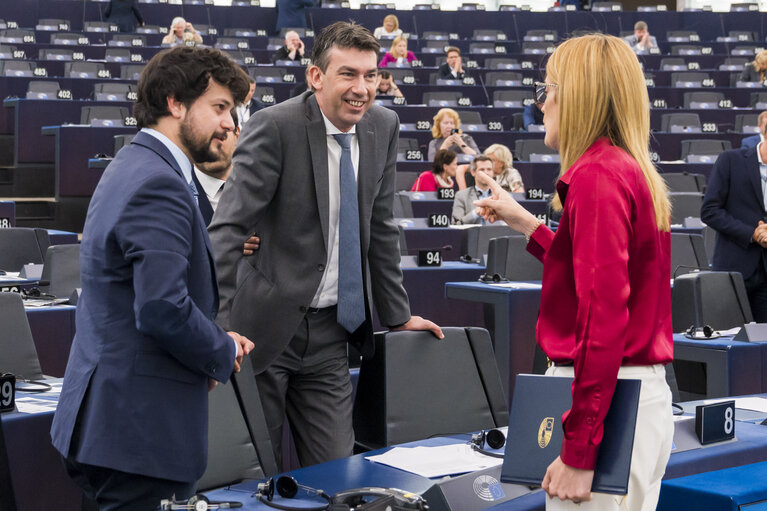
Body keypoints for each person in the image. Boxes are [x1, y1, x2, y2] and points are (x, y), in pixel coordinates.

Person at [208, 21, 443, 470]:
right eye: (348, 74)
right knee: (256, 478)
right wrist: (216, 326)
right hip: (260, 333)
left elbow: (379, 224)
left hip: (334, 337)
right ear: (316, 77)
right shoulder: (274, 126)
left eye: (371, 75)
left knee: (338, 473)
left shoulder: (384, 125)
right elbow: (228, 228)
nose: (362, 88)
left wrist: (396, 315)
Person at [474, 34, 673, 509]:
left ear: (576, 95)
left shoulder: (597, 177)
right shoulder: (622, 168)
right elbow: (587, 273)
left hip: (608, 405)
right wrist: (524, 221)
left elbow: (602, 317)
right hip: (629, 398)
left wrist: (580, 450)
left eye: (547, 91)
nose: (541, 105)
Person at [50, 46, 253, 510]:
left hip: (116, 427)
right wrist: (219, 349)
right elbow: (162, 309)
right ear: (175, 102)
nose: (231, 123)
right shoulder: (158, 181)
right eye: (220, 107)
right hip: (138, 436)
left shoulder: (133, 164)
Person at [701, 126, 767, 323]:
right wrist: (752, 233)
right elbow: (710, 211)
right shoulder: (731, 160)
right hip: (734, 269)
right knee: (728, 339)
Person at [194, 107, 240, 224]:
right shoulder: (174, 193)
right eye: (203, 137)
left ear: (237, 135)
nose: (211, 148)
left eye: (219, 137)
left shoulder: (259, 187)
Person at [452, 155, 494, 224]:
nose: (486, 173)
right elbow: (456, 223)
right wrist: (475, 212)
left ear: (493, 172)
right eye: (482, 169)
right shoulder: (461, 195)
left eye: (489, 169)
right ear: (473, 172)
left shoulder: (501, 195)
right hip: (472, 234)